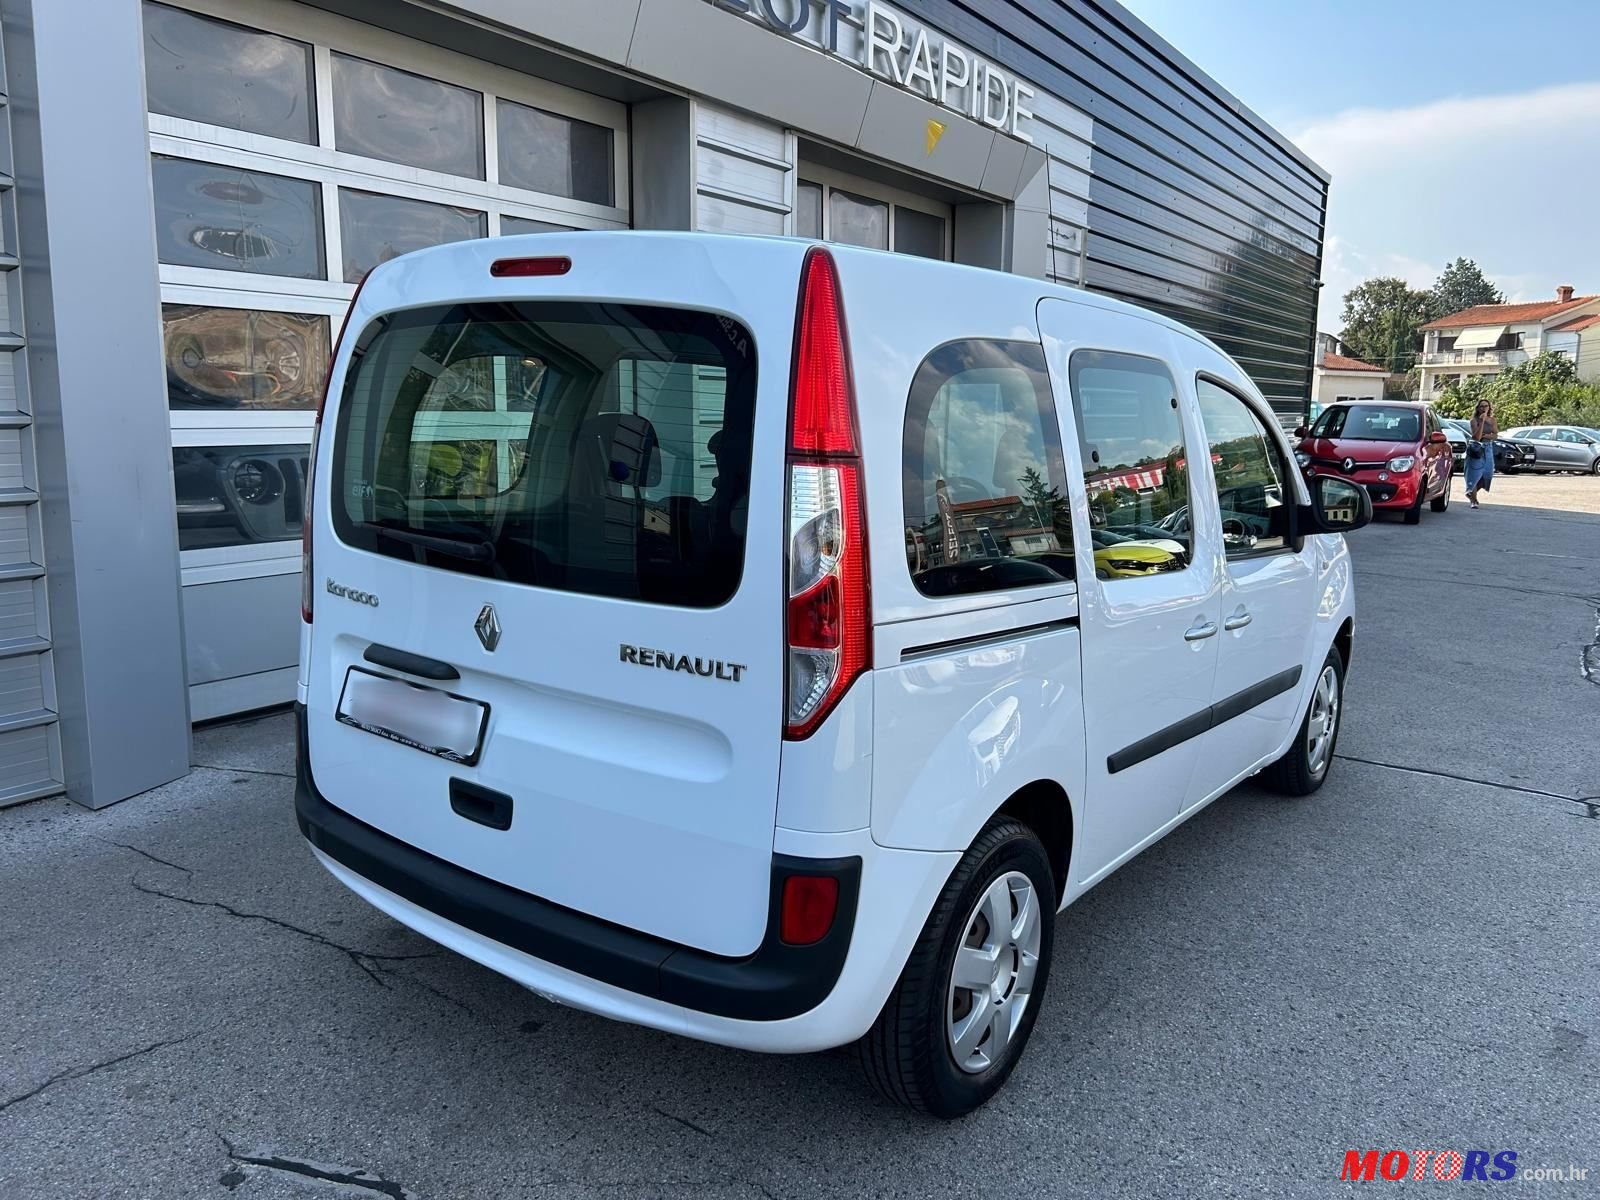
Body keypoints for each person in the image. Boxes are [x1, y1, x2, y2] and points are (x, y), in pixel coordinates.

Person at [1466, 398, 1497, 508]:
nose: (1484, 408)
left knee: (1487, 474)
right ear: (1478, 408)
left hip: (1488, 448)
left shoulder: (1492, 420)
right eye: (1482, 406)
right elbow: (1477, 437)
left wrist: (1486, 435)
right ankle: (1473, 500)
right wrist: (1482, 422)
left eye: (1486, 406)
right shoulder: (1474, 420)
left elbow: (1495, 435)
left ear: (1489, 408)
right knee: (1475, 474)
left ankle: (1470, 492)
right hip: (1477, 449)